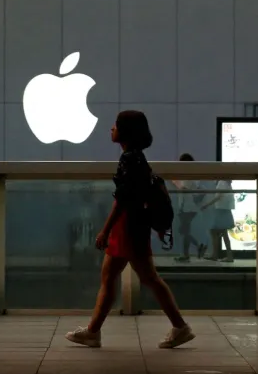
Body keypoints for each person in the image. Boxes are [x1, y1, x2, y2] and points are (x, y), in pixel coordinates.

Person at [65, 110, 195, 349]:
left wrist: (105, 229)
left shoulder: (128, 159)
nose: (111, 129)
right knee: (123, 276)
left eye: (115, 126)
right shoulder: (138, 158)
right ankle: (94, 331)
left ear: (125, 131)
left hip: (128, 226)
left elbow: (123, 199)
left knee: (137, 277)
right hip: (135, 225)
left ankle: (179, 326)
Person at [173, 153, 208, 262]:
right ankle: (189, 253)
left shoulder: (189, 175)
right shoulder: (190, 174)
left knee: (184, 231)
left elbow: (184, 188)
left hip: (187, 208)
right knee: (185, 231)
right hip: (187, 207)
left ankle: (193, 250)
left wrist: (175, 181)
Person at [200, 179, 236, 262]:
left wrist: (206, 205)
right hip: (225, 210)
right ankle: (227, 256)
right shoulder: (227, 183)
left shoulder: (221, 182)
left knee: (214, 232)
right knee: (223, 233)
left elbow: (218, 196)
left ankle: (216, 255)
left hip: (221, 210)